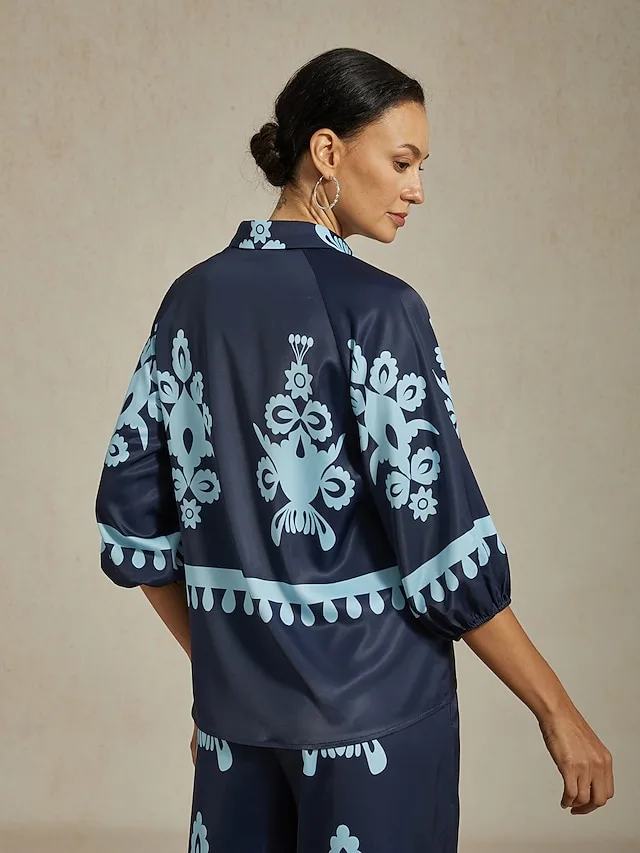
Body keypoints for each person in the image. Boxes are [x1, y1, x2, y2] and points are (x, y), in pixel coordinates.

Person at [95, 47, 614, 853]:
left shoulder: (188, 300)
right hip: (379, 723)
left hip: (239, 727)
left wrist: (232, 675)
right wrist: (558, 710)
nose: (417, 189)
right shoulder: (380, 311)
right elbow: (443, 550)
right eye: (402, 162)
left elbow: (132, 522)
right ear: (328, 152)